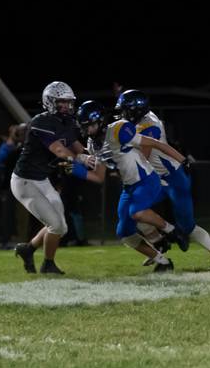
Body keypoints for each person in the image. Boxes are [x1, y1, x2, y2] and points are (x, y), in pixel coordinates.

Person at [78, 99, 188, 271]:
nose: (86, 130)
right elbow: (99, 177)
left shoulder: (118, 130)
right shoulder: (92, 144)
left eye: (89, 125)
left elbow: (155, 143)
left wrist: (181, 159)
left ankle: (173, 231)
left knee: (137, 212)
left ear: (99, 121)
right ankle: (163, 262)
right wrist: (75, 169)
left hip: (147, 180)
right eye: (83, 126)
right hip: (129, 187)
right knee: (125, 233)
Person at [125, 89, 210, 267]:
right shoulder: (142, 120)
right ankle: (160, 245)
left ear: (136, 110)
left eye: (126, 110)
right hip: (157, 178)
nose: (123, 114)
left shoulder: (149, 126)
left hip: (173, 179)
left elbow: (143, 157)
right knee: (136, 212)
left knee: (187, 226)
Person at [11, 82, 104, 275]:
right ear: (51, 102)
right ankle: (48, 264)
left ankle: (28, 249)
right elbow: (59, 150)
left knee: (60, 225)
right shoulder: (40, 122)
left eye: (69, 102)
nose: (68, 106)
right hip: (24, 182)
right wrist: (80, 158)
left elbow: (75, 145)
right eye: (62, 102)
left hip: (42, 179)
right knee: (57, 225)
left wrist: (91, 155)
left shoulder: (67, 122)